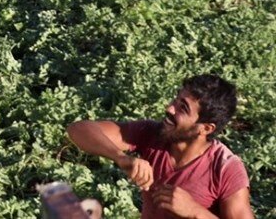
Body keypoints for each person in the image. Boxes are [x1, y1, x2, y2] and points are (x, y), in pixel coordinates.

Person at [67, 74, 253, 219]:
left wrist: (196, 212)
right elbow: (78, 130)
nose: (169, 108)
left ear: (205, 128)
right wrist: (120, 157)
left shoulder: (225, 169)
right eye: (176, 100)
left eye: (183, 108)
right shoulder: (152, 134)